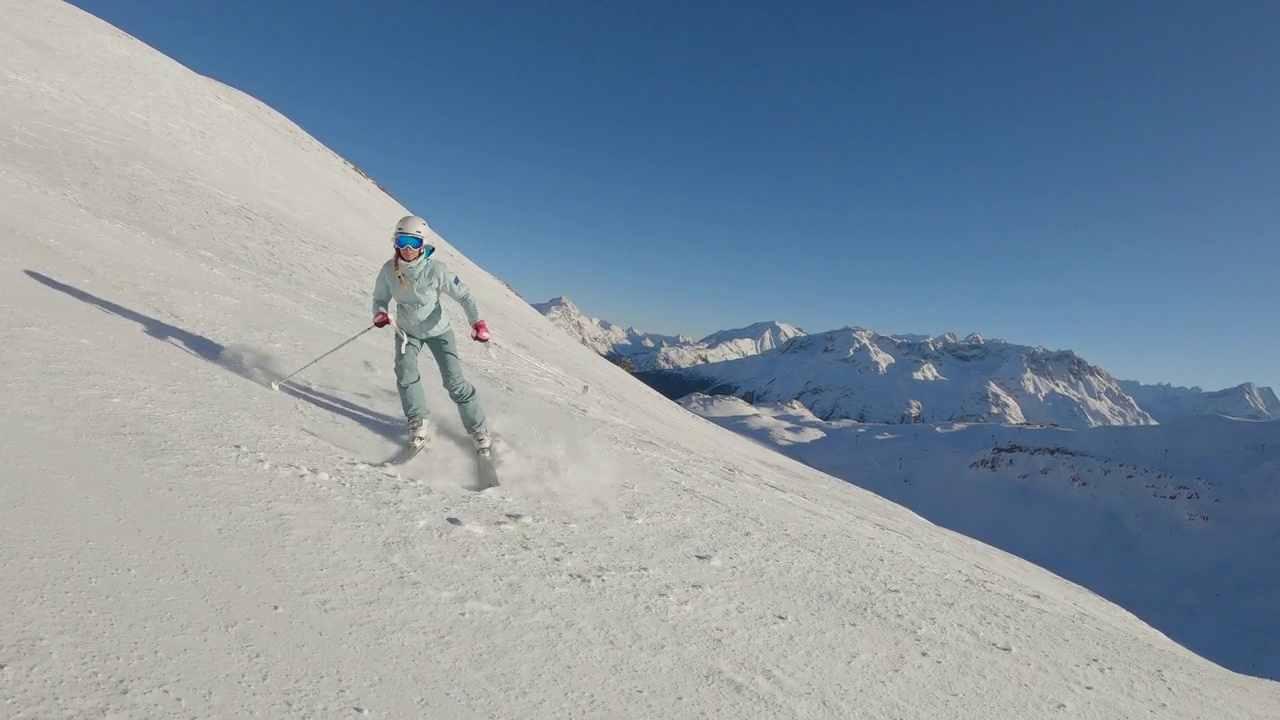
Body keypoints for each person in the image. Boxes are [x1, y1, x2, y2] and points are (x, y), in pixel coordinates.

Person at [371, 215, 492, 453]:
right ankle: (418, 420)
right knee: (406, 373)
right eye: (402, 240)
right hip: (407, 332)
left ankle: (479, 429)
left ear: (423, 245)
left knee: (454, 383)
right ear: (394, 242)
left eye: (413, 243)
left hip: (439, 331)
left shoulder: (436, 270)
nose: (407, 249)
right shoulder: (389, 270)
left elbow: (464, 295)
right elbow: (379, 298)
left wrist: (477, 322)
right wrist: (380, 313)